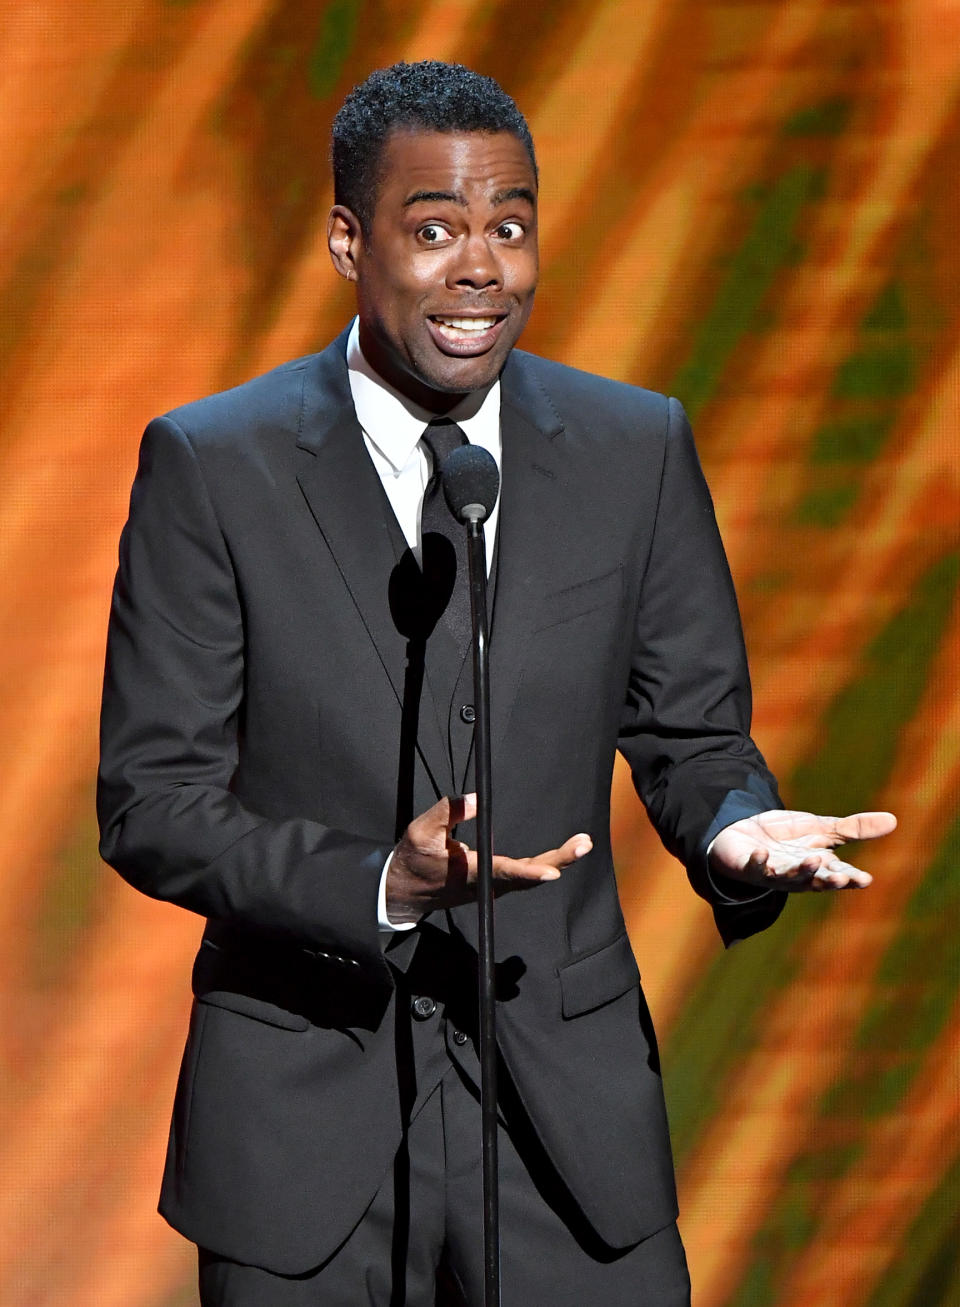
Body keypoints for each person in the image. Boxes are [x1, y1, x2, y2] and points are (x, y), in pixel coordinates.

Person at [97, 61, 896, 1306]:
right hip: (306, 1130)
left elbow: (690, 732)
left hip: (566, 1131)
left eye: (511, 226)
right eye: (435, 229)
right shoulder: (213, 466)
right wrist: (378, 882)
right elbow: (152, 800)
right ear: (348, 239)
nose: (484, 268)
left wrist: (734, 822)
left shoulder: (635, 449)